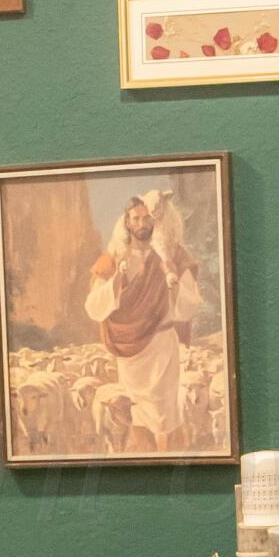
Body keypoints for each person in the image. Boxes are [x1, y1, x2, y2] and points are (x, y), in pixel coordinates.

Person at [81, 189, 205, 452]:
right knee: (135, 414)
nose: (141, 224)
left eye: (146, 218)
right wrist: (117, 281)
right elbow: (93, 306)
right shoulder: (113, 259)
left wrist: (172, 283)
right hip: (129, 352)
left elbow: (191, 304)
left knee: (165, 414)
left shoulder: (173, 256)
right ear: (126, 222)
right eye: (135, 218)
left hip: (162, 345)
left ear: (157, 220)